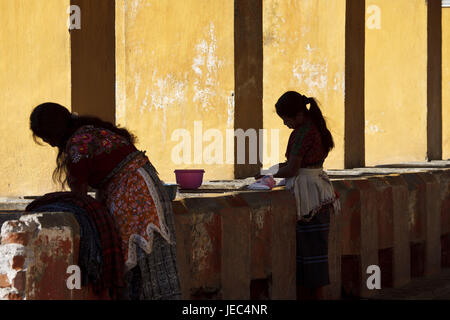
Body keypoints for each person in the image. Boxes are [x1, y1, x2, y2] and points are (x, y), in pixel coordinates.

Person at [29, 102, 181, 300]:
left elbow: (79, 195)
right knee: (151, 255)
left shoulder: (78, 145)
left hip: (134, 194)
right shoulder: (90, 132)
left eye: (46, 137)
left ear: (53, 131)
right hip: (145, 186)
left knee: (140, 256)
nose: (49, 143)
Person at [266, 91, 340, 300]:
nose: (285, 124)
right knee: (314, 258)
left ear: (297, 115)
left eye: (286, 119)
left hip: (309, 198)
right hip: (318, 193)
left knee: (310, 261)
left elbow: (292, 169)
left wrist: (268, 175)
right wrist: (270, 171)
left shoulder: (303, 133)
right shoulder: (315, 127)